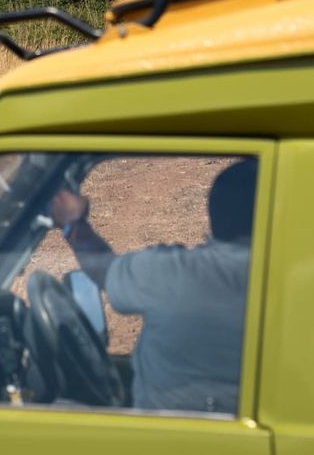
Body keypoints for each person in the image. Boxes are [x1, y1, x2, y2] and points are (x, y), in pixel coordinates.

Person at [47, 157, 257, 414]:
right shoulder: (296, 280)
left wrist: (72, 223)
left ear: (216, 213)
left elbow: (103, 269)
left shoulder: (179, 273)